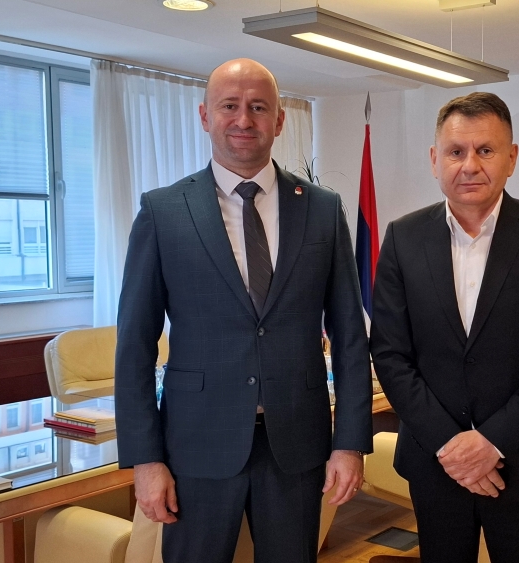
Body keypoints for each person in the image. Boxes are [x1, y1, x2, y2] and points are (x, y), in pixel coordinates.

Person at [114, 58, 373, 563]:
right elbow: (135, 346)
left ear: (279, 120)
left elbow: (349, 336)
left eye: (258, 107)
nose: (243, 120)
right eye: (229, 106)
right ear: (204, 116)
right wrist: (145, 460)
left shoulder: (322, 208)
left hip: (297, 445)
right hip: (196, 445)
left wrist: (349, 444)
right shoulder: (163, 211)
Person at [370, 92, 519, 563]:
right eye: (456, 151)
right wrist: (450, 446)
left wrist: (493, 442)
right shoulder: (403, 238)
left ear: (512, 158)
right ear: (435, 160)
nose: (470, 165)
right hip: (436, 465)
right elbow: (389, 352)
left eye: (486, 150)